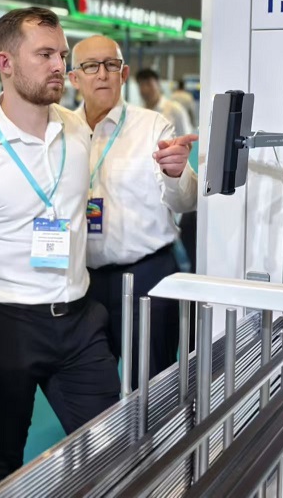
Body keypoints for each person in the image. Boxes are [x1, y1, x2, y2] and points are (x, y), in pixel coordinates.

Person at [0, 7, 120, 494]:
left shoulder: (77, 132)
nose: (59, 66)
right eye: (45, 54)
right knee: (1, 454)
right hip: (4, 326)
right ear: (5, 63)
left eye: (62, 55)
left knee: (114, 444)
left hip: (79, 319)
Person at [69, 36, 198, 387]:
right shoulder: (60, 131)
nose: (102, 74)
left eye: (111, 65)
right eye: (90, 66)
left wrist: (176, 173)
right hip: (82, 282)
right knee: (90, 388)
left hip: (147, 276)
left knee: (153, 385)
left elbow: (186, 201)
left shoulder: (153, 127)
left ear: (123, 74)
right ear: (74, 78)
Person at [136, 68, 193, 136]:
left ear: (158, 84)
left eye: (149, 84)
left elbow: (186, 138)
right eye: (141, 85)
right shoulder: (140, 113)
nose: (145, 89)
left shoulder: (175, 110)